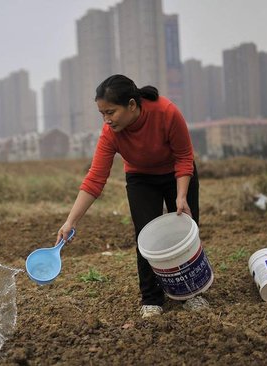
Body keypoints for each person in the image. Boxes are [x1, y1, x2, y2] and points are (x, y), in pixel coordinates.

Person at [56, 74, 209, 318]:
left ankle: (191, 293)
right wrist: (70, 221)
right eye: (102, 114)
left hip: (177, 174)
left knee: (185, 232)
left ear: (131, 105)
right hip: (141, 179)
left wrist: (181, 196)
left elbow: (183, 157)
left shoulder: (166, 113)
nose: (106, 120)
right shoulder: (111, 134)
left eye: (111, 112)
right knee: (145, 236)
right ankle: (152, 299)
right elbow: (95, 179)